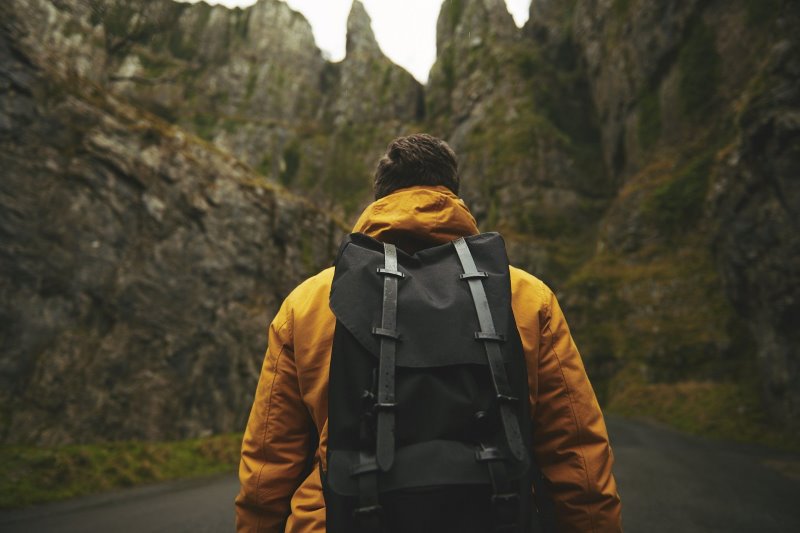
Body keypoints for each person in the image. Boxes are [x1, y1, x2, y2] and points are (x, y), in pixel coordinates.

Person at [235, 133, 622, 533]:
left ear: (379, 198)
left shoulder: (309, 303)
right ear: (452, 194)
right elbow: (578, 460)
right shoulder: (524, 295)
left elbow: (267, 474)